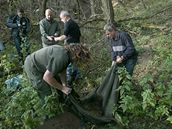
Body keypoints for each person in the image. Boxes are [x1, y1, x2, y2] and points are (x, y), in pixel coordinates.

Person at [24, 44, 90, 103]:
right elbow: (47, 77)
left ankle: (62, 104)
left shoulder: (66, 54)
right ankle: (50, 113)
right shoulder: (62, 57)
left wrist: (64, 85)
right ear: (77, 56)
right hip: (32, 65)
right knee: (46, 92)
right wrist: (62, 88)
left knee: (58, 83)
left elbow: (62, 71)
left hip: (42, 66)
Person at [54, 10, 81, 86]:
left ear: (65, 17)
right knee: (75, 62)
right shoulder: (74, 23)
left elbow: (64, 36)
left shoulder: (68, 23)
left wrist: (57, 39)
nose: (61, 20)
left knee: (68, 63)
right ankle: (77, 78)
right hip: (77, 45)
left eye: (61, 18)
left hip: (71, 46)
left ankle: (69, 81)